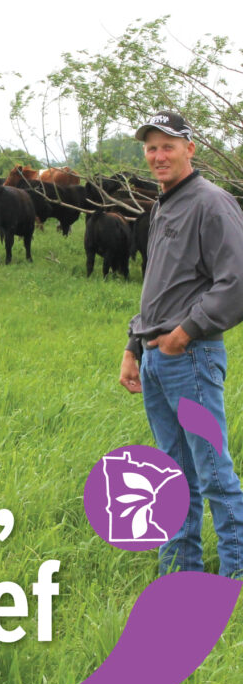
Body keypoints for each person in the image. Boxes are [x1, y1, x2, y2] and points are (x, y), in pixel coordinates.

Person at [119, 110, 243, 578]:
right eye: (150, 147)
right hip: (157, 357)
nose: (157, 156)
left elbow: (237, 281)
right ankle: (181, 573)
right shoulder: (163, 205)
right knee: (172, 476)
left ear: (190, 148)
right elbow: (160, 284)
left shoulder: (212, 203)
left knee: (213, 474)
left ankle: (236, 575)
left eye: (167, 145)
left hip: (190, 356)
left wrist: (184, 333)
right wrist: (135, 344)